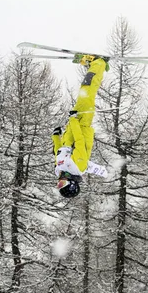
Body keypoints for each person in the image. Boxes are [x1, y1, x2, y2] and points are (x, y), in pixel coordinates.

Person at [52, 55, 109, 198]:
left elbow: (58, 152)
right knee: (87, 90)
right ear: (71, 183)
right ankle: (99, 63)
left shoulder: (59, 170)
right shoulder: (79, 167)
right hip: (82, 123)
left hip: (73, 125)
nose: (59, 181)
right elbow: (79, 141)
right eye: (62, 184)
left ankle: (94, 66)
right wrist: (74, 120)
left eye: (58, 185)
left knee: (85, 89)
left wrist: (55, 137)